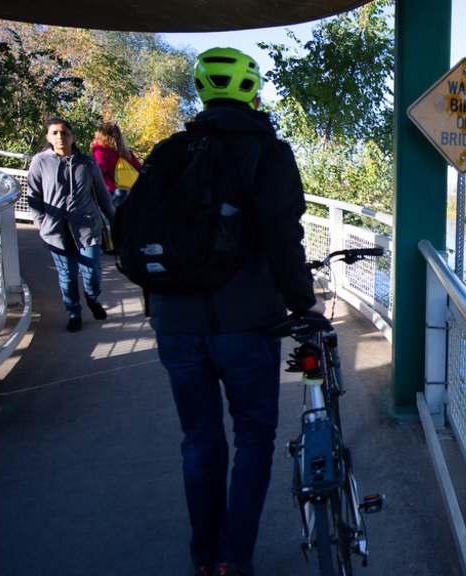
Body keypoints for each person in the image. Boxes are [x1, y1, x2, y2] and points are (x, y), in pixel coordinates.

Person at [149, 47, 325, 576]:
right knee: (252, 436)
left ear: (202, 90)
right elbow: (281, 236)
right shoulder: (267, 153)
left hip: (176, 322)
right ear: (252, 91)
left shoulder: (171, 150)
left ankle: (204, 559)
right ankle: (233, 559)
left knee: (199, 440)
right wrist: (305, 304)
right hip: (246, 323)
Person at [26, 117, 115, 332]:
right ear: (48, 137)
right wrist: (42, 224)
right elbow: (34, 197)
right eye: (54, 133)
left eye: (64, 133)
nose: (60, 137)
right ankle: (74, 312)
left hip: (87, 227)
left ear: (73, 137)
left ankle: (92, 299)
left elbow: (103, 196)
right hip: (56, 231)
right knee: (67, 276)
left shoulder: (87, 162)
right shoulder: (40, 162)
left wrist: (115, 222)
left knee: (92, 272)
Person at [90, 121, 142, 195]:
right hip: (129, 191)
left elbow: (99, 169)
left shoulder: (100, 150)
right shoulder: (127, 153)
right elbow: (139, 169)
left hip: (110, 192)